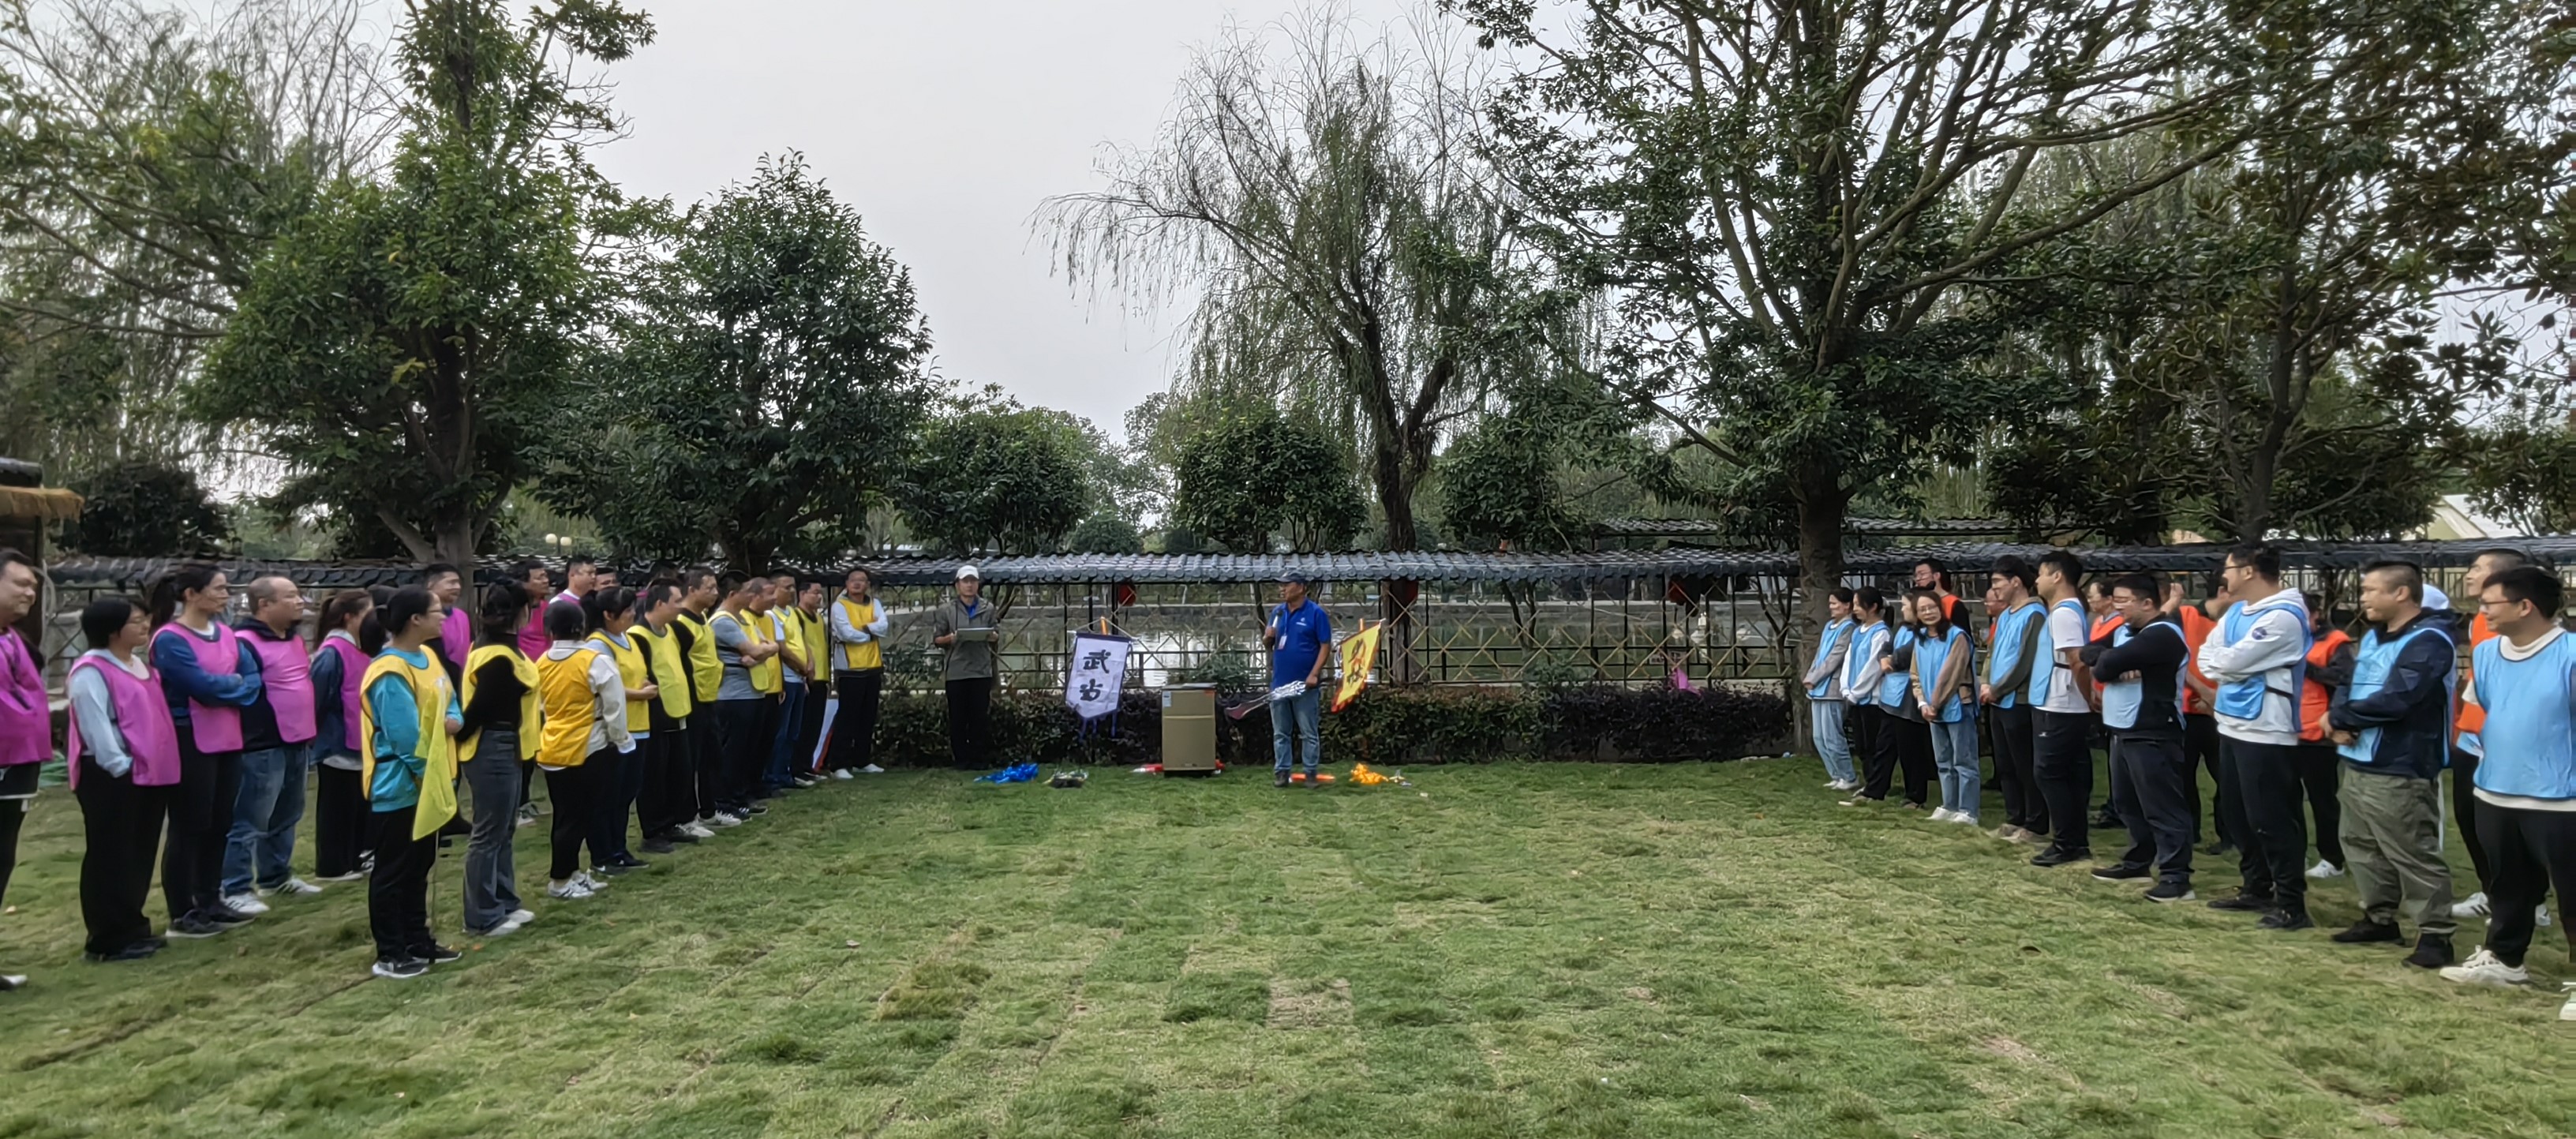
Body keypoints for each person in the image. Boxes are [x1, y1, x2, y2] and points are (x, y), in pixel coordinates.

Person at [2440, 566, 2574, 1019]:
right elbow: (2488, 710)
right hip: (2496, 792)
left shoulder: (2570, 654)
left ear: (2525, 607)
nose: (2481, 612)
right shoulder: (2486, 653)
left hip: (2561, 800)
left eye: (2488, 604)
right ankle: (2504, 960)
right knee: (2508, 888)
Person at [2321, 561, 2458, 968]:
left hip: (2401, 763)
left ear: (2401, 593)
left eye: (2370, 590)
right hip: (2358, 758)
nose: (2362, 598)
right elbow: (2349, 681)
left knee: (2411, 850)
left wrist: (2341, 719)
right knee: (2360, 843)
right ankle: (2379, 918)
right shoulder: (2373, 636)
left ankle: (2435, 934)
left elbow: (2400, 699)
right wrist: (2339, 721)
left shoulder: (2430, 640)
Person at [2196, 543, 2315, 930]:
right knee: (2238, 815)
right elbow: (2208, 658)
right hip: (2231, 723)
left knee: (2272, 818)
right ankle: (2256, 886)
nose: (2223, 576)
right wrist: (2226, 664)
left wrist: (2226, 665)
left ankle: (2291, 903)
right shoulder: (2236, 612)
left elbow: (2229, 661)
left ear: (2248, 571)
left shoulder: (2284, 616)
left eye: (2228, 569)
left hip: (2267, 729)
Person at [148, 564, 264, 939]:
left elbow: (253, 681)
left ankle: (210, 899)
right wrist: (230, 686)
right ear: (191, 595)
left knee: (220, 823)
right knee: (190, 824)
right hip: (189, 738)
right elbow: (201, 687)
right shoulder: (169, 639)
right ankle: (183, 910)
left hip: (228, 737)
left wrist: (227, 686)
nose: (225, 595)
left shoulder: (228, 635)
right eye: (218, 588)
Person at [66, 595, 180, 964]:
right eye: (136, 621)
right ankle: (106, 938)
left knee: (138, 852)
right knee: (110, 854)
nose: (145, 625)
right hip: (112, 775)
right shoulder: (91, 670)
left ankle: (132, 927)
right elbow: (95, 725)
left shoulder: (139, 665)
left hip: (148, 772)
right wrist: (121, 766)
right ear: (112, 630)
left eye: (145, 618)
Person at [357, 586, 462, 980]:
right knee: (394, 870)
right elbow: (405, 737)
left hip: (432, 780)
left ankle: (418, 939)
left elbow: (451, 700)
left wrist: (455, 721)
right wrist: (428, 774)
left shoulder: (429, 657)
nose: (444, 617)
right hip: (401, 786)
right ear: (415, 619)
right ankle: (390, 951)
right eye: (436, 611)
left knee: (420, 865)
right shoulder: (388, 671)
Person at [2077, 575, 2196, 901]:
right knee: (2128, 803)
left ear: (2147, 602)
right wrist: (2111, 661)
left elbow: (2105, 666)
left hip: (2153, 730)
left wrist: (2111, 663)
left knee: (2162, 806)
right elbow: (2090, 652)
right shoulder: (2124, 631)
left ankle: (2176, 877)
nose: (2117, 607)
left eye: (2124, 601)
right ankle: (2138, 861)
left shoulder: (2162, 635)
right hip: (2122, 728)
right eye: (2115, 600)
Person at [220, 575, 324, 916]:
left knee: (287, 813)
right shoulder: (243, 643)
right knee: (251, 818)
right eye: (290, 596)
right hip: (263, 743)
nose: (300, 601)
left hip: (299, 739)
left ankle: (276, 876)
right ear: (264, 605)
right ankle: (234, 887)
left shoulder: (293, 639)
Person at [2447, 548, 2526, 919]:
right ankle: (2491, 890)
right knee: (2468, 818)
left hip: (2498, 739)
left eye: (2478, 568)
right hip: (2470, 735)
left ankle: (2527, 900)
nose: (2468, 574)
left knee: (2505, 824)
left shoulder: (2517, 626)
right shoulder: (2480, 620)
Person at [457, 583, 539, 939]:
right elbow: (481, 709)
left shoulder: (504, 648)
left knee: (504, 829)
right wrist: (459, 737)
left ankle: (505, 900)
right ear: (521, 612)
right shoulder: (496, 656)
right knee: (489, 833)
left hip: (511, 745)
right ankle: (482, 915)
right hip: (493, 746)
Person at [536, 598, 632, 900]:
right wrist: (620, 739)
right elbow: (615, 706)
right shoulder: (594, 660)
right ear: (581, 627)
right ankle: (560, 880)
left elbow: (539, 704)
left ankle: (573, 872)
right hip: (588, 744)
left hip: (552, 743)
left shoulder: (542, 661)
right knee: (577, 818)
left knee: (567, 815)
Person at [2029, 550, 2098, 867]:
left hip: (2061, 703)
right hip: (2058, 701)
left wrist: (2088, 697)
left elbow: (2077, 661)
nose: (2037, 580)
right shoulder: (2063, 610)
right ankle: (2074, 840)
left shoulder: (2064, 613)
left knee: (2051, 772)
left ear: (2057, 576)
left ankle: (2066, 842)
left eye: (2041, 574)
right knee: (2068, 772)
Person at [1, 550, 50, 988]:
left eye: (33, 587)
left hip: (19, 764)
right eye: (20, 584)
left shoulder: (14, 638)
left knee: (3, 858)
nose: (30, 594)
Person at [583, 587, 657, 876]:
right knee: (607, 796)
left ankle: (619, 849)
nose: (632, 616)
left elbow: (635, 674)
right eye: (626, 611)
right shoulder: (597, 644)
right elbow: (603, 687)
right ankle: (603, 855)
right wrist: (639, 694)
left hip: (638, 726)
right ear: (607, 615)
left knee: (626, 794)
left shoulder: (628, 639)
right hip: (614, 732)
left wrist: (646, 685)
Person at [308, 590, 375, 883]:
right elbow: (318, 698)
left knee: (356, 807)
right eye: (369, 613)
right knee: (336, 808)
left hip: (359, 742)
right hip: (337, 743)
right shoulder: (332, 652)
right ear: (350, 617)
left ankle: (354, 858)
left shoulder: (358, 649)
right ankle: (332, 866)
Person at [1983, 556, 2050, 843]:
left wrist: (1998, 689)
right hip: (1996, 698)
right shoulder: (2005, 615)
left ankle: (2035, 823)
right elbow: (1992, 653)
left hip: (2017, 700)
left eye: (1998, 582)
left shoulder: (2035, 613)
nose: (1994, 588)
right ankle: (2015, 817)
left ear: (2016, 582)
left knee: (2025, 764)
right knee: (2005, 764)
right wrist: (1986, 682)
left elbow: (2026, 661)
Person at [631, 581, 699, 853]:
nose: (680, 607)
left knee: (677, 771)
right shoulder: (638, 635)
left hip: (678, 710)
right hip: (656, 716)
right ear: (659, 604)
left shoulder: (671, 631)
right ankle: (653, 831)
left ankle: (672, 823)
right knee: (654, 775)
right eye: (676, 601)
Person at [2170, 575, 2234, 856]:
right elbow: (2173, 657)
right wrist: (2202, 690)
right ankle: (2189, 831)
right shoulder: (2184, 615)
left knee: (2227, 776)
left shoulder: (2236, 622)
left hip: (2221, 712)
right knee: (2183, 776)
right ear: (2222, 591)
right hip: (2188, 711)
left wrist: (2216, 698)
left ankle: (2229, 835)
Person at [707, 573, 778, 820]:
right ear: (733, 594)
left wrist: (762, 652)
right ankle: (724, 802)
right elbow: (756, 649)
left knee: (746, 751)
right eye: (748, 592)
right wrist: (761, 651)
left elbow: (769, 646)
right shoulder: (723, 622)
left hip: (752, 691)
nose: (752, 596)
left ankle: (740, 797)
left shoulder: (743, 619)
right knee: (732, 752)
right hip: (733, 696)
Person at [2291, 594, 2349, 881]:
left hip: (2320, 733)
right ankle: (2295, 851)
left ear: (2317, 614)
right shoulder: (2287, 637)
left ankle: (2333, 858)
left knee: (2323, 800)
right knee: (2288, 797)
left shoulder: (2336, 641)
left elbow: (2344, 678)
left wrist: (2307, 667)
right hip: (2287, 728)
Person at [1859, 598, 1935, 811]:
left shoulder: (1923, 634)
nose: (1902, 609)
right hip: (1891, 697)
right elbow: (1886, 648)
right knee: (1884, 746)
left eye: (1905, 605)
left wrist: (1890, 659)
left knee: (1911, 750)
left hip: (1909, 699)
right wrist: (1885, 657)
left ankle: (1915, 797)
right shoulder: (1901, 629)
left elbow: (1903, 657)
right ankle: (1875, 790)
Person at [1908, 590, 1979, 824]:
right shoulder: (1920, 638)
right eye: (1923, 609)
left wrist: (1935, 704)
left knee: (1964, 760)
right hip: (1931, 709)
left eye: (1932, 607)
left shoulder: (1957, 636)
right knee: (1943, 761)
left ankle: (1968, 810)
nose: (1929, 612)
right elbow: (1915, 674)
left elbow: (1952, 675)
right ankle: (1949, 805)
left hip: (1957, 704)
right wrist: (1922, 702)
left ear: (1941, 609)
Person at [1264, 571, 1334, 788]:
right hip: (1280, 684)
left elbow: (1325, 646)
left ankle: (1310, 773)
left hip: (1305, 685)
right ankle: (1282, 772)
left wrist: (1314, 673)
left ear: (1302, 587)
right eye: (1281, 585)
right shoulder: (1278, 613)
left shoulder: (1316, 613)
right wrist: (1267, 638)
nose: (1282, 589)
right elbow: (1269, 644)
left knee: (1308, 732)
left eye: (1287, 585)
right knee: (1281, 733)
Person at [930, 566, 1001, 770]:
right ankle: (961, 760)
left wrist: (992, 636)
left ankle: (979, 759)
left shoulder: (988, 608)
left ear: (978, 584)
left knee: (979, 717)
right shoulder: (946, 610)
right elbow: (937, 639)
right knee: (958, 718)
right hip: (957, 671)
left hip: (981, 669)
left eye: (973, 581)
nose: (969, 585)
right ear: (957, 585)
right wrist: (951, 638)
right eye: (965, 581)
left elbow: (996, 634)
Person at [670, 568, 724, 834]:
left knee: (711, 757)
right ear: (691, 590)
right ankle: (686, 818)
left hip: (709, 696)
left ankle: (709, 810)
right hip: (692, 699)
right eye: (709, 588)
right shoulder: (680, 623)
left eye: (716, 587)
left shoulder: (702, 617)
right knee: (689, 761)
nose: (715, 593)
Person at [826, 567, 892, 777]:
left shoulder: (875, 603)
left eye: (862, 580)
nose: (857, 583)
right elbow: (847, 634)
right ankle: (839, 764)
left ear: (868, 585)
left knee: (868, 716)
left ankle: (862, 760)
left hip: (873, 666)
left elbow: (883, 626)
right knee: (848, 716)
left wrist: (864, 630)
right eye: (853, 580)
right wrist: (870, 633)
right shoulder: (839, 606)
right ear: (846, 584)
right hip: (849, 668)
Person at [1837, 588, 1895, 805]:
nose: (1855, 609)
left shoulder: (1882, 632)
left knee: (1873, 745)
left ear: (1873, 607)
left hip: (1873, 699)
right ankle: (1870, 783)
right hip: (1855, 696)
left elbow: (1874, 667)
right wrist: (1846, 688)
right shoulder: (1858, 631)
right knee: (1862, 746)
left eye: (1858, 604)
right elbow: (1848, 661)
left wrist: (1857, 692)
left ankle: (1876, 787)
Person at [764, 572, 818, 794]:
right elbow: (782, 649)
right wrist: (801, 667)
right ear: (774, 589)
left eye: (793, 587)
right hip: (785, 678)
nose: (792, 591)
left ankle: (785, 774)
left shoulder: (792, 613)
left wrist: (810, 664)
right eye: (786, 587)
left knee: (794, 732)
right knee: (781, 732)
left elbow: (802, 641)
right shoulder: (771, 614)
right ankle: (773, 777)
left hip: (798, 678)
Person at [1803, 590, 1859, 792]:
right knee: (1819, 738)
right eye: (1830, 603)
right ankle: (1836, 775)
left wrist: (1814, 678)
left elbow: (1836, 657)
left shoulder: (1849, 628)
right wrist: (1810, 675)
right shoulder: (1829, 626)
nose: (1831, 607)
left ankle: (1849, 776)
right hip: (1817, 688)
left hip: (1832, 689)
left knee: (1833, 737)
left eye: (1835, 603)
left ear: (1847, 606)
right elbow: (1820, 654)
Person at [424, 563, 472, 680]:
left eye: (459, 583)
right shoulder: (423, 618)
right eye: (451, 582)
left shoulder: (462, 616)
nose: (458, 587)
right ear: (431, 584)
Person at [1912, 558, 1962, 623]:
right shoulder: (1917, 602)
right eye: (1916, 576)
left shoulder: (1953, 604)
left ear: (1936, 575)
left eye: (1922, 574)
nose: (1918, 579)